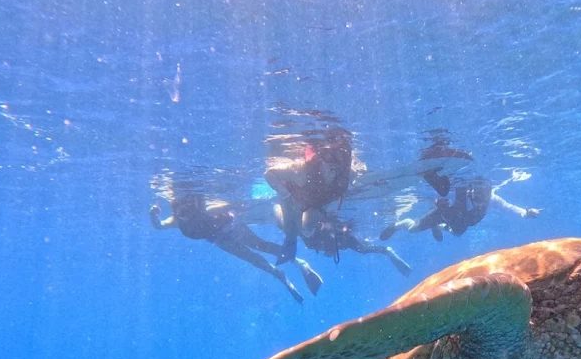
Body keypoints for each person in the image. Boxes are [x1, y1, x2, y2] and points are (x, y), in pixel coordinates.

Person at [150, 190, 322, 303]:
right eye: (181, 213)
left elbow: (235, 204)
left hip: (233, 228)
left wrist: (247, 203)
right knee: (255, 260)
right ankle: (283, 278)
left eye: (188, 211)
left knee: (263, 246)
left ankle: (300, 263)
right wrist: (153, 215)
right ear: (176, 212)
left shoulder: (209, 210)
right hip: (221, 240)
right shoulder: (177, 221)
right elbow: (159, 226)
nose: (186, 215)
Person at [264, 126, 354, 263]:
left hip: (316, 202)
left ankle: (300, 235)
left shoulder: (345, 173)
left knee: (306, 229)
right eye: (328, 161)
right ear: (321, 158)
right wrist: (286, 195)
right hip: (294, 198)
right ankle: (288, 231)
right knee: (290, 230)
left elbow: (355, 175)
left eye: (336, 163)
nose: (333, 167)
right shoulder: (302, 171)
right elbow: (269, 174)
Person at [380, 173, 540, 242]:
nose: (479, 195)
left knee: (458, 232)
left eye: (484, 191)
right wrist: (438, 203)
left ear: (489, 190)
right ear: (472, 188)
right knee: (412, 229)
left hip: (461, 223)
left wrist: (525, 213)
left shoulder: (492, 199)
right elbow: (436, 196)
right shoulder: (459, 192)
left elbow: (509, 207)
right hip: (443, 215)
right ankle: (398, 225)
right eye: (477, 191)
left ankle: (439, 227)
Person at [300, 207, 412, 276]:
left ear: (316, 226)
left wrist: (330, 251)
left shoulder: (325, 228)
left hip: (347, 240)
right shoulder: (305, 235)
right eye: (304, 230)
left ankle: (387, 250)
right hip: (342, 242)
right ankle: (386, 250)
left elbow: (331, 242)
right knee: (363, 248)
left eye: (308, 229)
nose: (306, 233)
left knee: (363, 249)